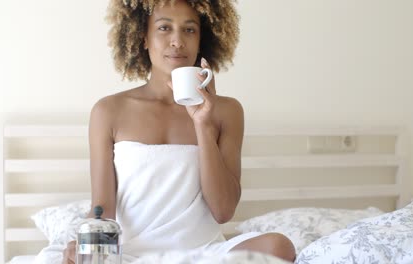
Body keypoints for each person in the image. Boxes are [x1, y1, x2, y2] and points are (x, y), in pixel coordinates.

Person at [62, 0, 295, 263]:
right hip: (134, 255)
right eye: (164, 28)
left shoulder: (227, 111)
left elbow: (224, 211)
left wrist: (203, 124)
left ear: (201, 39)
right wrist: (83, 245)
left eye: (190, 30)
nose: (177, 41)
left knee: (278, 247)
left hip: (204, 253)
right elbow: (102, 210)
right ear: (144, 38)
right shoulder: (108, 111)